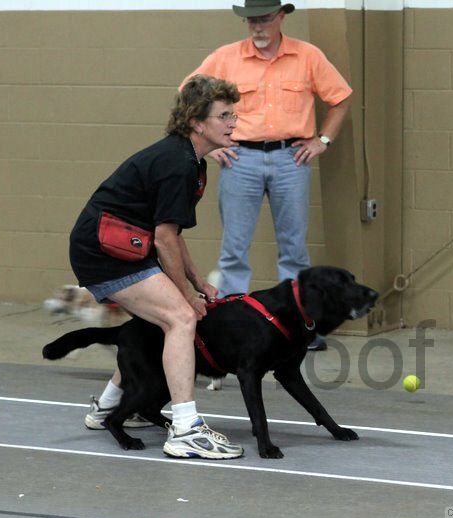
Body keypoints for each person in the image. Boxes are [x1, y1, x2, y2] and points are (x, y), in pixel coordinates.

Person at [68, 75, 244, 460]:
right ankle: (186, 430)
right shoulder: (177, 163)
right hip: (103, 251)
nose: (233, 122)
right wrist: (187, 296)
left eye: (233, 114)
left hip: (126, 244)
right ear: (197, 122)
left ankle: (107, 408)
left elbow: (172, 233)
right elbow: (164, 239)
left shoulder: (194, 164)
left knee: (160, 318)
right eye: (224, 115)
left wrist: (198, 282)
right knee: (180, 318)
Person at [180, 0, 353, 351]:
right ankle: (231, 328)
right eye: (251, 21)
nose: (257, 27)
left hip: (292, 158)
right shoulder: (226, 58)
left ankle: (297, 327)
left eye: (264, 19)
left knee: (293, 249)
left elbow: (341, 98)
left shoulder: (307, 56)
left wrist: (322, 140)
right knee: (234, 249)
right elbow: (186, 95)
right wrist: (210, 146)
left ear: (281, 17)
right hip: (240, 159)